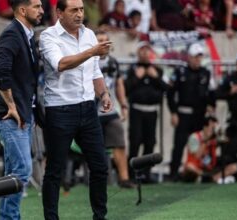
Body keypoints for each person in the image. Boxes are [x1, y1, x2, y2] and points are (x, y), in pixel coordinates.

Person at [39, 0, 113, 219]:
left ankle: (100, 216)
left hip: (88, 108)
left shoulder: (89, 35)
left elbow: (95, 71)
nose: (80, 14)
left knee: (100, 166)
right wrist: (92, 52)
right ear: (59, 12)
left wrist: (104, 94)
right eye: (74, 10)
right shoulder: (48, 36)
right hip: (60, 110)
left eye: (81, 9)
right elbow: (60, 64)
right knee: (54, 171)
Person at [0, 0, 44, 219]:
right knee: (22, 170)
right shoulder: (11, 34)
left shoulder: (27, 35)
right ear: (23, 10)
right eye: (37, 6)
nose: (42, 11)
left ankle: (7, 218)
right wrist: (12, 106)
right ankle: (10, 217)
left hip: (24, 113)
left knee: (13, 173)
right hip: (10, 115)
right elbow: (1, 72)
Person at [167, 43, 216, 180]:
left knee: (200, 144)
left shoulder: (206, 73)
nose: (197, 60)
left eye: (200, 57)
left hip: (200, 115)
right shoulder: (180, 72)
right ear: (189, 57)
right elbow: (170, 94)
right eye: (195, 57)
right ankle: (173, 173)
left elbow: (211, 94)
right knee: (179, 145)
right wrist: (174, 112)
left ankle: (198, 171)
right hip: (183, 114)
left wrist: (212, 108)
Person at [95, 31, 134, 188]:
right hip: (92, 110)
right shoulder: (88, 60)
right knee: (93, 146)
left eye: (106, 40)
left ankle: (124, 178)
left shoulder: (113, 62)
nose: (104, 43)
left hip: (110, 110)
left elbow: (119, 84)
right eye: (100, 40)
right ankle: (97, 179)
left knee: (119, 141)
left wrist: (123, 104)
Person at [125, 41, 167, 183]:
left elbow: (166, 89)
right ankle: (131, 174)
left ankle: (146, 174)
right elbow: (126, 89)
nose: (144, 53)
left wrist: (155, 77)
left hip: (152, 111)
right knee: (135, 143)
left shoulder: (157, 70)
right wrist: (137, 77)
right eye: (142, 50)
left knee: (150, 143)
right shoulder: (132, 69)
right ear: (138, 53)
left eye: (147, 50)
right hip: (137, 110)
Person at [182, 116, 237, 183]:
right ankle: (206, 177)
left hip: (210, 166)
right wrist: (206, 141)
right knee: (189, 167)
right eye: (212, 127)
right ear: (205, 127)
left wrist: (226, 134)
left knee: (235, 167)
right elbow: (197, 156)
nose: (213, 130)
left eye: (214, 127)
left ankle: (210, 178)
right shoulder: (194, 137)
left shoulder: (214, 137)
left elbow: (226, 140)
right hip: (197, 167)